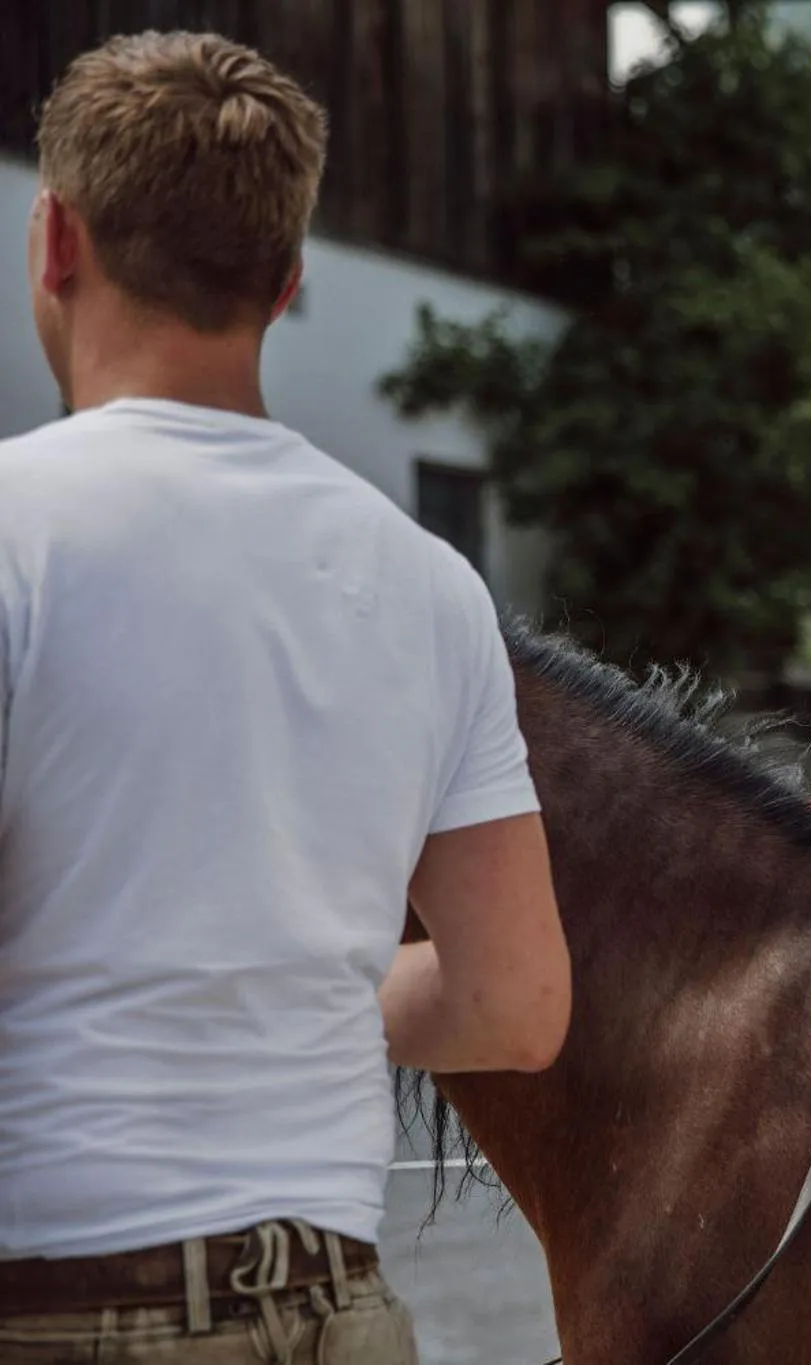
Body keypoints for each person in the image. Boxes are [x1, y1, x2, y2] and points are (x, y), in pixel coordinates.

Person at [0, 31, 571, 1364]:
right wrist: (281, 988)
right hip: (339, 1310)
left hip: (58, 1299)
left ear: (56, 242)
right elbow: (515, 1001)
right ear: (290, 278)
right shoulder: (431, 586)